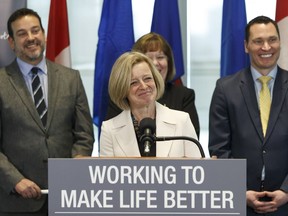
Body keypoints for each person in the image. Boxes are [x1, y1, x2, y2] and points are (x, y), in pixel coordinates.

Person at [0, 8, 94, 215]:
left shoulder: (72, 78)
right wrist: (15, 181)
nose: (31, 38)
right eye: (22, 33)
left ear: (44, 34)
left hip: (67, 197)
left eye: (35, 31)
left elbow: (84, 133)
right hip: (17, 201)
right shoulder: (1, 82)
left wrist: (74, 166)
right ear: (12, 42)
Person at [209, 15, 288, 215]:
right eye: (258, 41)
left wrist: (286, 191)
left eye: (272, 40)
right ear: (246, 46)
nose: (266, 47)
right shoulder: (225, 88)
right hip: (239, 203)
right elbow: (219, 148)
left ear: (280, 42)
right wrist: (240, 191)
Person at [100, 51, 201, 158]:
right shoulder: (109, 129)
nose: (143, 86)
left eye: (147, 78)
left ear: (156, 80)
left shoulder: (182, 121)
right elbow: (106, 173)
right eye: (134, 82)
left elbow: (195, 171)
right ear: (122, 89)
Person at [106, 32, 200, 138]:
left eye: (160, 57)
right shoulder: (123, 97)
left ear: (169, 61)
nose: (155, 63)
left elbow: (192, 141)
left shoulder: (183, 96)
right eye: (149, 58)